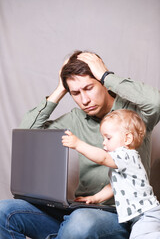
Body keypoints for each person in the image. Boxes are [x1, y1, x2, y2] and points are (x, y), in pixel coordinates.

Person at [0, 50, 160, 239]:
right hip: (80, 208)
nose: (84, 100)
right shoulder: (75, 119)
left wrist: (106, 75)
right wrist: (60, 89)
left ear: (102, 82)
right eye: (75, 93)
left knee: (80, 223)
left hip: (120, 216)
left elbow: (155, 102)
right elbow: (27, 133)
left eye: (89, 88)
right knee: (4, 211)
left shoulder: (134, 115)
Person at [62, 109, 160, 239]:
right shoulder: (122, 163)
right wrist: (95, 198)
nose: (104, 142)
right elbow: (113, 187)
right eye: (103, 138)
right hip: (136, 216)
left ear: (127, 138)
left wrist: (78, 144)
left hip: (146, 214)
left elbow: (102, 158)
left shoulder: (126, 155)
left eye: (108, 138)